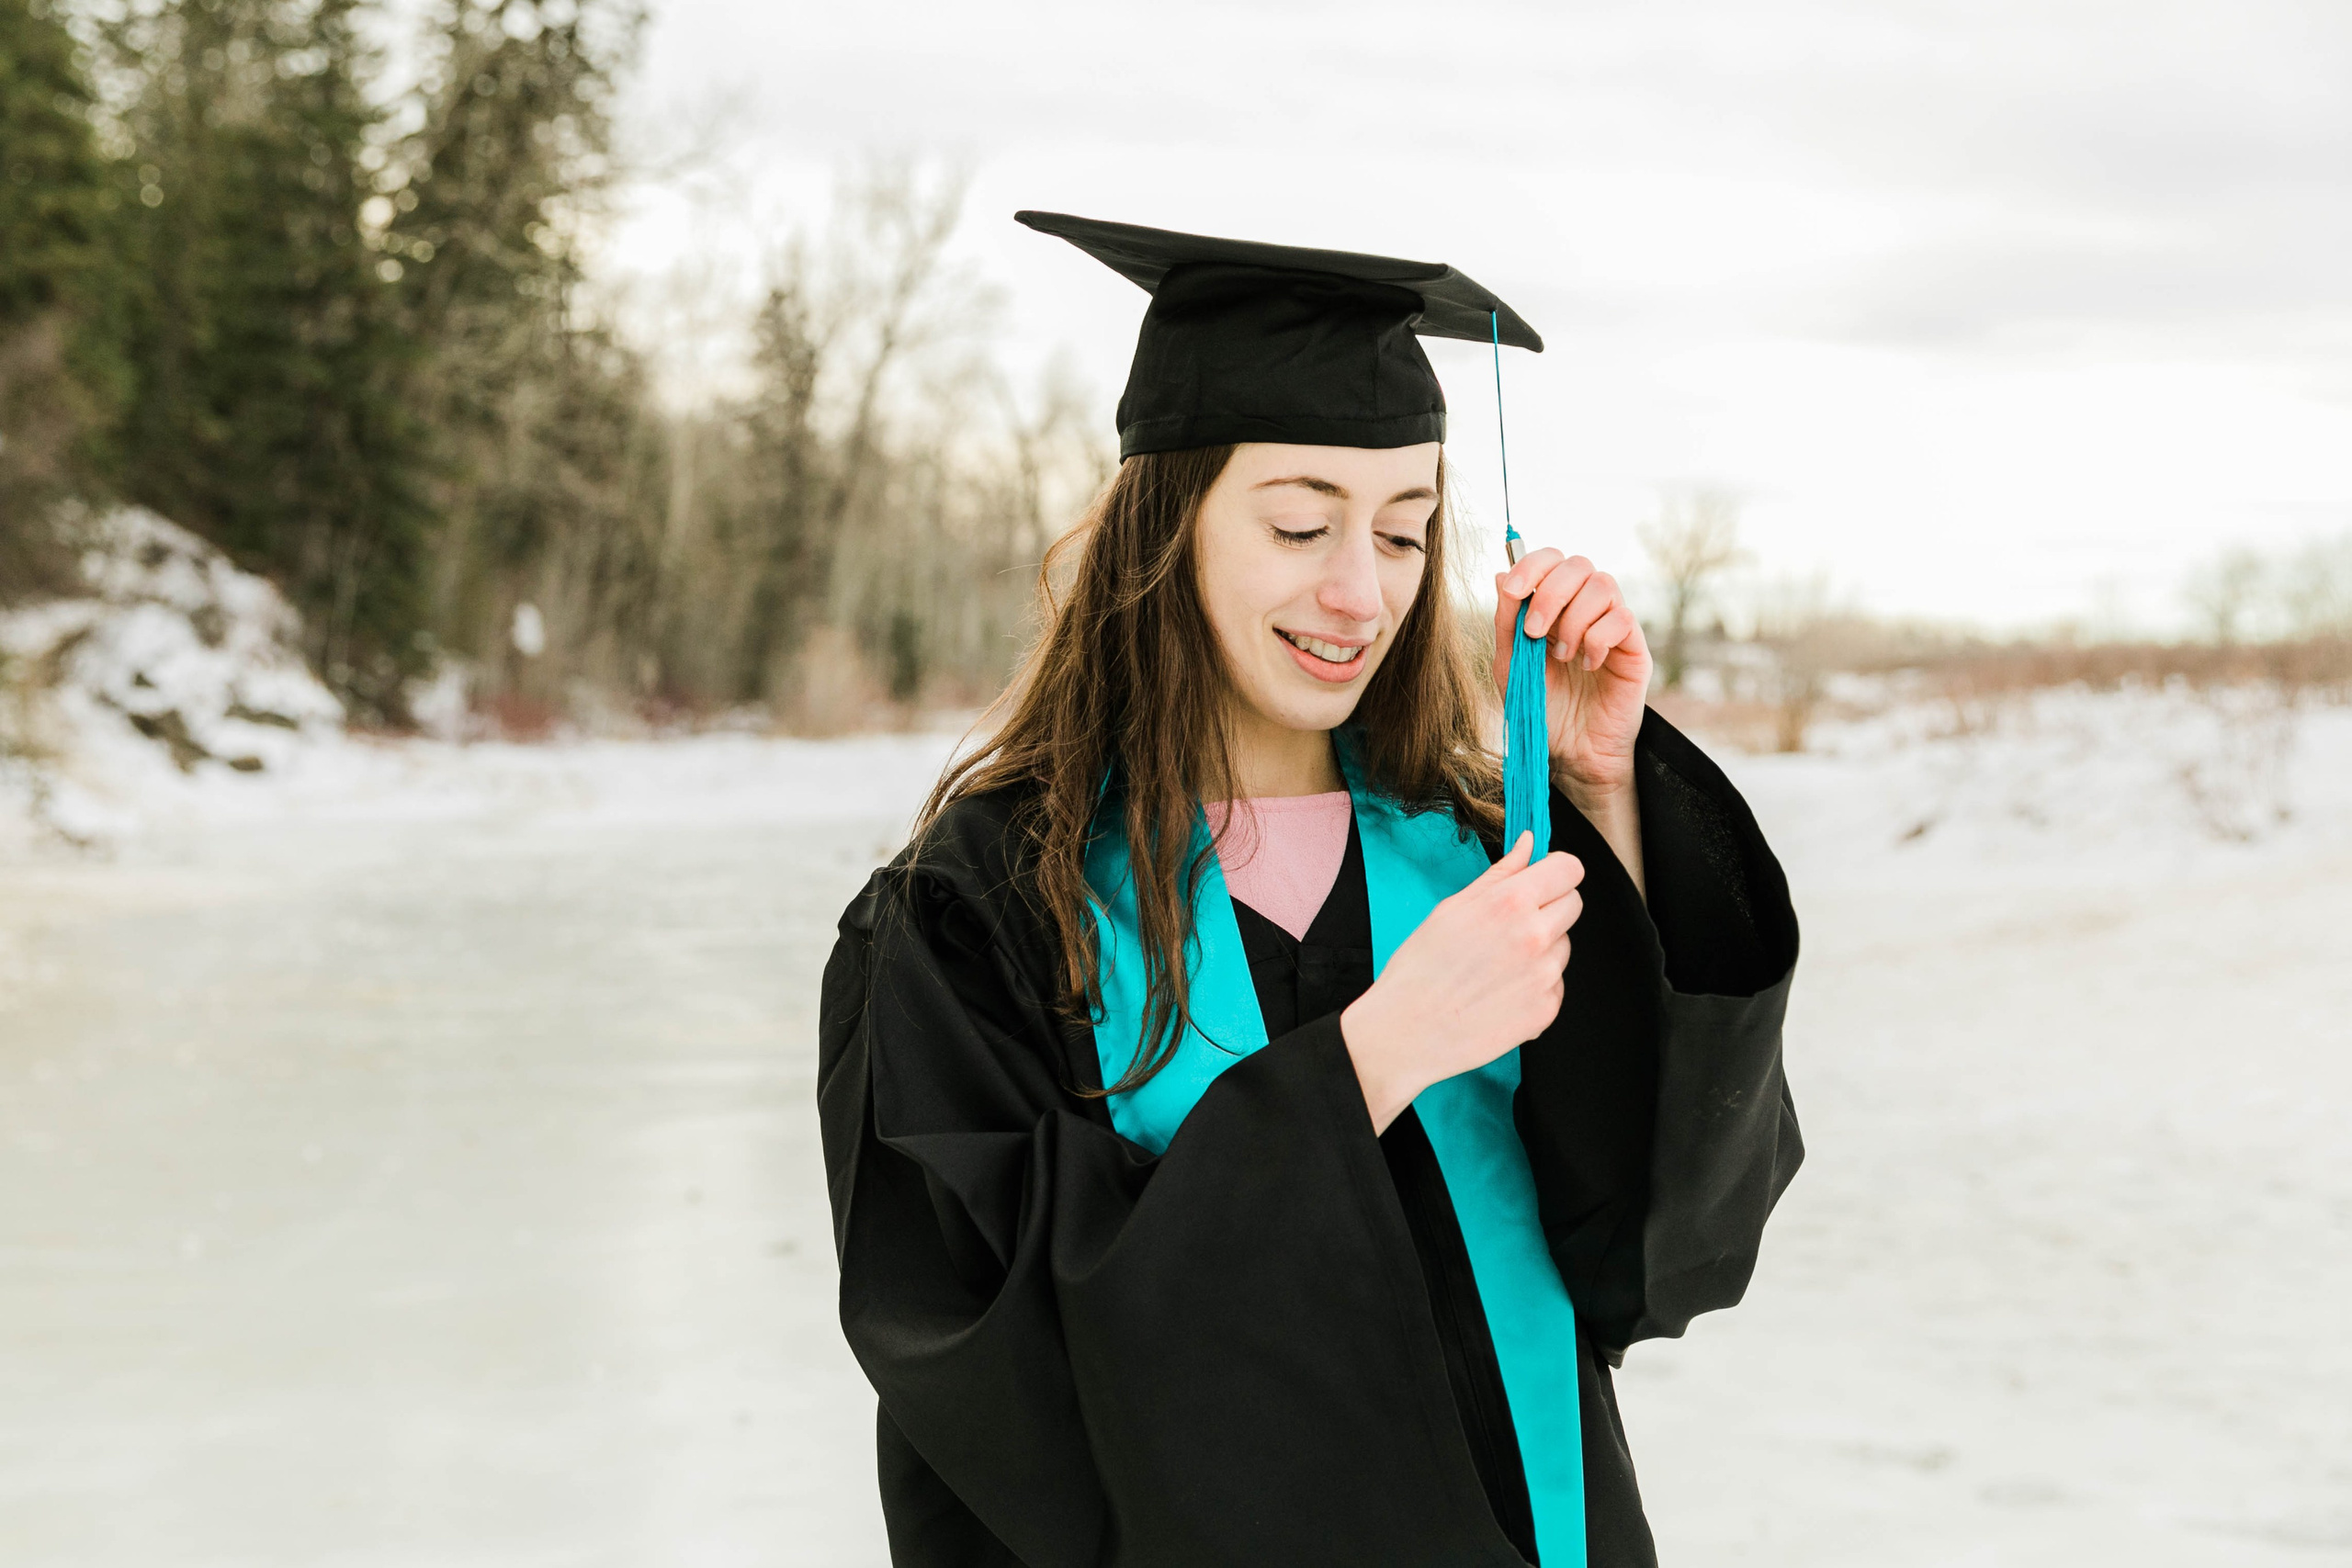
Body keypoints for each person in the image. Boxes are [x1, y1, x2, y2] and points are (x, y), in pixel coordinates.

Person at [817, 213, 1803, 1568]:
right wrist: (1372, 1061)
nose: (1359, 593)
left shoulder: (1474, 856)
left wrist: (1602, 794)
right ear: (1169, 523)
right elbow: (1000, 1387)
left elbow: (1666, 1255)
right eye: (1299, 523)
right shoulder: (985, 910)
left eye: (1403, 534)